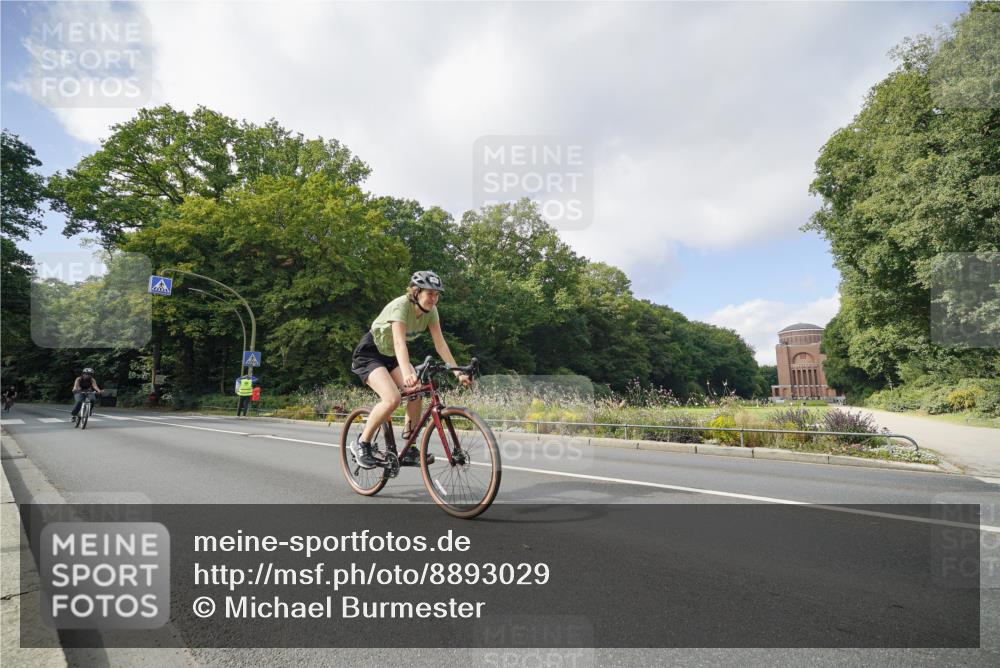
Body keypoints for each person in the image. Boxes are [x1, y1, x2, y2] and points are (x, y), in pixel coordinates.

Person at [350, 270, 471, 468]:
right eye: (430, 293)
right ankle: (362, 443)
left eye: (437, 294)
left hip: (391, 357)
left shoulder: (431, 312)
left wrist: (457, 372)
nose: (434, 298)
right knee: (392, 399)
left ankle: (408, 447)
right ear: (416, 292)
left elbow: (440, 345)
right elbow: (399, 343)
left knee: (416, 392)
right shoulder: (401, 306)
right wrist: (407, 373)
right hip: (370, 354)